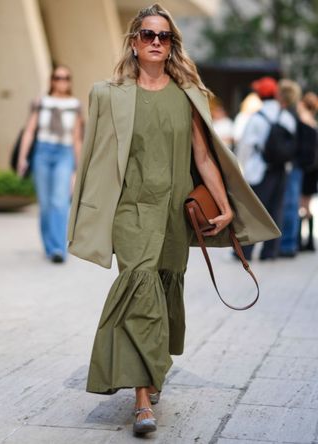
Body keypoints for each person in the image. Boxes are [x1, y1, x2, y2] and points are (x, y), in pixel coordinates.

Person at [68, 4, 280, 436]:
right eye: (147, 34)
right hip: (131, 210)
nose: (156, 42)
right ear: (133, 42)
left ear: (172, 45)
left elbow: (203, 157)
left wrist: (224, 207)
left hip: (173, 212)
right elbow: (95, 160)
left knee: (163, 291)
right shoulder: (109, 95)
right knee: (140, 285)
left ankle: (150, 366)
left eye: (164, 36)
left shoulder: (188, 95)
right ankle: (143, 398)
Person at [17, 65, 84, 263]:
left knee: (59, 201)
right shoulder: (41, 102)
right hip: (42, 153)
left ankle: (58, 249)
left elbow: (77, 138)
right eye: (57, 77)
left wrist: (77, 168)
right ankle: (48, 245)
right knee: (45, 204)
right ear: (52, 80)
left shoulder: (75, 104)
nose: (61, 81)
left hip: (64, 154)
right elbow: (29, 131)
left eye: (65, 78)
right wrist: (22, 158)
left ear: (70, 81)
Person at [236, 77, 297, 260]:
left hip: (258, 170)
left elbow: (245, 147)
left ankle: (245, 251)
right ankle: (269, 252)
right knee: (275, 211)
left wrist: (240, 170)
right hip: (281, 170)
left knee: (253, 212)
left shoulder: (256, 118)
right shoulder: (286, 116)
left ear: (260, 95)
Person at [278, 80, 303, 257]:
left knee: (289, 204)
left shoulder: (287, 115)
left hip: (290, 165)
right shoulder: (298, 114)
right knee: (291, 205)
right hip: (297, 165)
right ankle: (289, 242)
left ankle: (287, 244)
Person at [298, 92, 318, 251]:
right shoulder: (314, 124)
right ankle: (309, 241)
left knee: (301, 205)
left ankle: (300, 240)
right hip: (313, 169)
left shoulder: (303, 124)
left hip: (304, 169)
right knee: (307, 205)